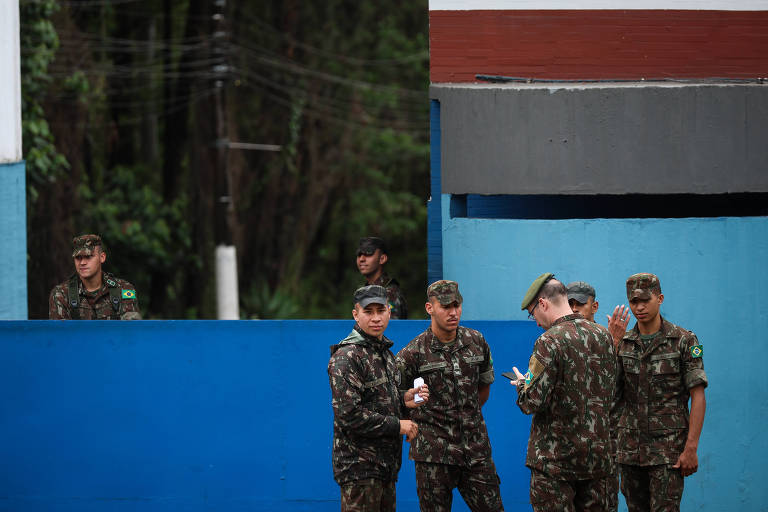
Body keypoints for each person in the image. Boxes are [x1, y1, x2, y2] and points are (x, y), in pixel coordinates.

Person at [396, 280, 504, 512]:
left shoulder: (476, 341)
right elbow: (395, 398)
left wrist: (466, 416)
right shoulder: (413, 352)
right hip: (433, 454)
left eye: (457, 305)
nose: (453, 312)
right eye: (445, 306)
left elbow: (483, 388)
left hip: (475, 451)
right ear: (430, 308)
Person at [512, 273, 617, 512]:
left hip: (556, 465)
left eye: (532, 314)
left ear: (543, 303)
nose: (536, 321)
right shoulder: (604, 336)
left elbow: (530, 402)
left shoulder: (549, 341)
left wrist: (522, 384)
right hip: (598, 462)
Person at [328, 284, 429, 512]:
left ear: (389, 312)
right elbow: (349, 415)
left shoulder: (384, 354)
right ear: (356, 314)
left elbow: (378, 400)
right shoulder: (347, 357)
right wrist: (398, 426)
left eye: (381, 311)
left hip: (386, 468)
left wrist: (404, 400)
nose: (376, 318)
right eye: (368, 312)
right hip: (360, 470)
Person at [614, 273, 707, 512]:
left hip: (668, 452)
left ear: (660, 298)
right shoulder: (623, 342)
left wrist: (691, 448)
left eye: (646, 300)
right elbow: (611, 394)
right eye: (634, 302)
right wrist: (612, 346)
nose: (640, 307)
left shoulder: (684, 340)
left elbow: (698, 396)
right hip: (630, 452)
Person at [566, 279, 625, 512]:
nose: (574, 308)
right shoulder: (561, 340)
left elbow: (614, 385)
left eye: (580, 303)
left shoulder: (613, 339)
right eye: (569, 303)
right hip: (568, 446)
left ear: (595, 306)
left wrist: (614, 343)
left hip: (603, 446)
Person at [48, 234, 142, 320]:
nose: (82, 263)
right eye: (78, 257)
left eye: (88, 257)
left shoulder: (123, 289)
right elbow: (59, 336)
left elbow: (131, 333)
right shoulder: (61, 294)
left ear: (102, 257)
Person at [356, 237, 408, 319]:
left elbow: (392, 329)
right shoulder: (364, 291)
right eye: (359, 255)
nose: (361, 259)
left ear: (382, 259)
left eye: (368, 254)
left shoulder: (389, 292)